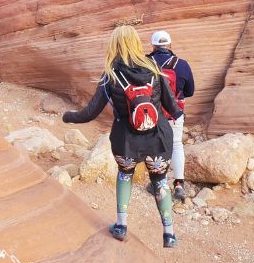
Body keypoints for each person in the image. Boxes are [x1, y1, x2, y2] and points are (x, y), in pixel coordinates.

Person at [62, 25, 183, 248]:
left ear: (114, 45)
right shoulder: (154, 69)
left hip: (126, 141)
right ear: (137, 43)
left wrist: (68, 117)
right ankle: (169, 234)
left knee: (125, 175)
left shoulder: (110, 75)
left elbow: (90, 113)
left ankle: (121, 226)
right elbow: (174, 108)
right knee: (160, 180)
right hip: (157, 138)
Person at [148, 30, 195, 201]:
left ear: (153, 45)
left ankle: (157, 183)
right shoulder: (181, 65)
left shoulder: (145, 63)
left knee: (155, 146)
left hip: (152, 114)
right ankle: (179, 184)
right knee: (176, 145)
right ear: (170, 45)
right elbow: (190, 91)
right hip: (174, 114)